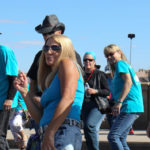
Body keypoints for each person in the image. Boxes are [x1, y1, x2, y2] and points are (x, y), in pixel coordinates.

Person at [14, 34, 84, 150]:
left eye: (55, 48)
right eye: (46, 48)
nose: (49, 51)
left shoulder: (67, 63)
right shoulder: (50, 80)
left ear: (65, 49)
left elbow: (68, 99)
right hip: (49, 133)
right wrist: (24, 93)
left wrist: (50, 132)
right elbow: (40, 118)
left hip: (63, 131)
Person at [27, 14, 82, 107]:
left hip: (63, 109)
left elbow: (74, 91)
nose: (47, 36)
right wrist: (35, 98)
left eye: (51, 32)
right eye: (44, 33)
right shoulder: (39, 55)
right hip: (41, 108)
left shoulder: (73, 55)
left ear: (59, 32)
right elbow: (32, 82)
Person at [104, 44, 144, 150]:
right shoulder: (125, 65)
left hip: (129, 106)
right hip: (134, 106)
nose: (108, 57)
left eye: (111, 54)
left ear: (119, 52)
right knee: (121, 138)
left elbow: (128, 82)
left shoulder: (120, 64)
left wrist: (119, 102)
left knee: (113, 136)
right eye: (106, 55)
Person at [81, 52, 110, 150]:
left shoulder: (100, 74)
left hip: (97, 105)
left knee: (90, 125)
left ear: (94, 62)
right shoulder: (80, 73)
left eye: (90, 60)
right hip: (84, 105)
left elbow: (107, 91)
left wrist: (95, 91)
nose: (87, 62)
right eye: (85, 60)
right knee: (86, 129)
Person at [0, 43, 18, 150]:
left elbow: (14, 78)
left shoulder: (5, 51)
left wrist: (9, 98)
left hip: (4, 102)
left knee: (0, 135)